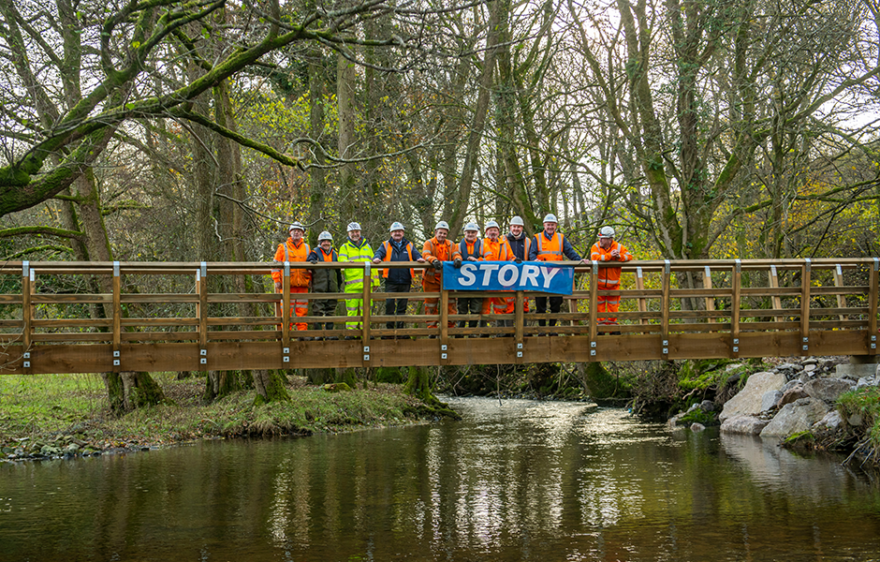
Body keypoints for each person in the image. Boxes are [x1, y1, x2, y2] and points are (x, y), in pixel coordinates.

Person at [527, 213, 588, 331]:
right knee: (540, 303)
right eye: (548, 224)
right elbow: (532, 253)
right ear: (544, 225)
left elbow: (570, 252)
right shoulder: (537, 238)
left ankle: (552, 329)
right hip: (541, 275)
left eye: (552, 225)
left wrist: (580, 260)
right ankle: (542, 330)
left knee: (556, 303)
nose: (550, 227)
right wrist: (534, 260)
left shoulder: (561, 238)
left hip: (557, 275)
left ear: (556, 225)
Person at [372, 222, 425, 333]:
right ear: (391, 233)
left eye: (399, 231)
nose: (397, 233)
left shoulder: (409, 244)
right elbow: (379, 253)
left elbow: (416, 255)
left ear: (403, 232)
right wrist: (377, 258)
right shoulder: (385, 244)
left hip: (405, 280)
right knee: (389, 305)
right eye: (395, 231)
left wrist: (419, 259)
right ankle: (389, 331)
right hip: (390, 279)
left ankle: (400, 331)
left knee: (402, 306)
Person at [338, 222, 379, 334]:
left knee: (366, 311)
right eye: (352, 232)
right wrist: (347, 262)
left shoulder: (367, 247)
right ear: (348, 233)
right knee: (352, 311)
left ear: (360, 232)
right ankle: (351, 334)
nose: (355, 234)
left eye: (357, 231)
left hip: (367, 285)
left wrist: (376, 282)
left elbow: (373, 266)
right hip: (352, 285)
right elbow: (341, 261)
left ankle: (365, 333)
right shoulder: (345, 247)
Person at [590, 226, 633, 332]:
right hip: (598, 284)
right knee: (599, 307)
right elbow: (595, 258)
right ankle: (600, 328)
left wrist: (619, 257)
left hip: (614, 285)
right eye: (600, 237)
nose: (600, 240)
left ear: (610, 239)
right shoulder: (595, 246)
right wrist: (609, 256)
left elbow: (629, 257)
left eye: (602, 238)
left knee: (613, 307)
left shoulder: (618, 247)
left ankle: (612, 327)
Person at [271, 222, 311, 332]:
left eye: (299, 230)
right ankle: (286, 336)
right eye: (294, 230)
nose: (296, 232)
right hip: (287, 285)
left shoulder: (307, 248)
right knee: (286, 313)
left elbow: (311, 266)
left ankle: (302, 337)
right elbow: (275, 265)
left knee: (302, 313)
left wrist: (311, 279)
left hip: (303, 285)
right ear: (290, 232)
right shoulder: (282, 247)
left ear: (302, 233)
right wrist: (276, 279)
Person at [422, 221, 461, 331]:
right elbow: (426, 254)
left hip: (448, 279)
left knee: (451, 303)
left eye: (444, 233)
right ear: (435, 232)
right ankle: (432, 329)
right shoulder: (429, 243)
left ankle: (450, 328)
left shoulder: (451, 244)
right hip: (431, 280)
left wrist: (458, 259)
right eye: (440, 233)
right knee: (430, 304)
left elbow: (455, 253)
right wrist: (433, 260)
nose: (442, 235)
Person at [307, 231, 343, 339]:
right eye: (324, 241)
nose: (326, 243)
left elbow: (338, 271)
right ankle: (318, 334)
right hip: (319, 286)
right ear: (320, 242)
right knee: (317, 310)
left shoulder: (335, 254)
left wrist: (339, 285)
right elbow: (308, 261)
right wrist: (312, 261)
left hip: (332, 286)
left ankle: (329, 334)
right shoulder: (315, 252)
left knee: (331, 310)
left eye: (328, 241)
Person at [456, 222, 491, 332]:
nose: (470, 234)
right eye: (468, 232)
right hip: (462, 283)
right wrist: (457, 259)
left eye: (473, 232)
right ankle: (459, 333)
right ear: (464, 233)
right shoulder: (458, 245)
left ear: (477, 233)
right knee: (462, 309)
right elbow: (453, 255)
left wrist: (478, 261)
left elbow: (490, 258)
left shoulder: (482, 245)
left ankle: (472, 332)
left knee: (476, 309)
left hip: (478, 283)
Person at [481, 220, 515, 329]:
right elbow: (477, 257)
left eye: (495, 230)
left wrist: (515, 260)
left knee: (501, 306)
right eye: (490, 230)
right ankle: (483, 333)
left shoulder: (504, 244)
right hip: (486, 281)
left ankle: (502, 332)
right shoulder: (482, 243)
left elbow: (511, 256)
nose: (493, 232)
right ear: (486, 232)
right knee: (484, 307)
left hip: (501, 281)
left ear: (498, 232)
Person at [504, 216, 531, 317]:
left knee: (523, 302)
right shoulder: (503, 239)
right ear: (510, 227)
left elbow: (531, 256)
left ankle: (523, 330)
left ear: (522, 228)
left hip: (523, 275)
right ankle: (508, 331)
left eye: (518, 227)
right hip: (506, 275)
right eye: (514, 226)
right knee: (507, 302)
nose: (516, 229)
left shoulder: (527, 241)